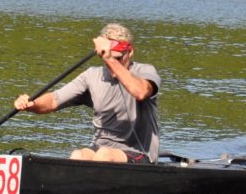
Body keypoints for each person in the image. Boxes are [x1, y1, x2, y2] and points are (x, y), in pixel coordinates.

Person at [14, 23, 161, 163]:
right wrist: (31, 104)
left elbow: (141, 92)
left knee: (104, 155)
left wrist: (109, 58)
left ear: (130, 51)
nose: (111, 64)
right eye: (105, 59)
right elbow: (53, 100)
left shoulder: (145, 71)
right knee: (78, 155)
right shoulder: (91, 76)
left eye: (118, 58)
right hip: (100, 149)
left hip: (139, 153)